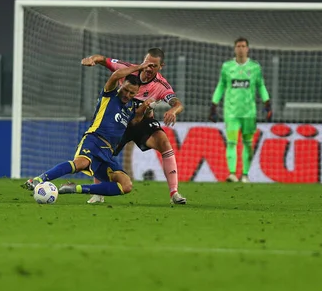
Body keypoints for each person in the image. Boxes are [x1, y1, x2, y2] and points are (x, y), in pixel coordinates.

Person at [23, 63, 156, 197]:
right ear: (121, 85)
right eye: (125, 89)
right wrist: (140, 67)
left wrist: (146, 107)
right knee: (81, 163)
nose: (127, 94)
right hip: (94, 139)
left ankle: (76, 189)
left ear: (136, 93)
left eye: (131, 93)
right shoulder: (110, 95)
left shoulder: (131, 107)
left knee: (126, 185)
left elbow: (135, 121)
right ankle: (38, 180)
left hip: (108, 152)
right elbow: (116, 75)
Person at [81, 48, 187, 205]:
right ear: (143, 61)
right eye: (147, 64)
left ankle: (174, 193)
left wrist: (173, 110)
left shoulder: (161, 85)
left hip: (141, 121)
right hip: (119, 119)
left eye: (154, 66)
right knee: (102, 151)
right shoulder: (127, 69)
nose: (149, 68)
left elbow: (177, 103)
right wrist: (92, 59)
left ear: (161, 67)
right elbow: (103, 58)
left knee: (164, 142)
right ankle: (98, 193)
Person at [209, 37, 271, 183]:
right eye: (238, 46)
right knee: (231, 142)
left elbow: (261, 86)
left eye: (243, 46)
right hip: (231, 112)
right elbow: (221, 86)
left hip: (249, 113)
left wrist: (267, 103)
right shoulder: (227, 67)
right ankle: (232, 174)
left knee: (248, 144)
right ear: (235, 48)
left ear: (247, 49)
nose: (241, 49)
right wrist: (214, 104)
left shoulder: (255, 67)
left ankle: (244, 174)